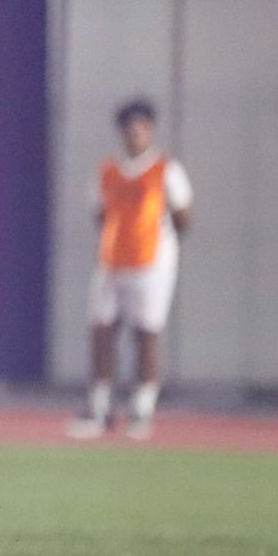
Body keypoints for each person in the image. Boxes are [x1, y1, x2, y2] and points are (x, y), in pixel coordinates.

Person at [70, 99, 193, 441]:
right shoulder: (108, 170)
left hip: (151, 263)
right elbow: (99, 213)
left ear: (151, 130)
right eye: (129, 128)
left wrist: (157, 238)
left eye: (141, 127)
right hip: (111, 262)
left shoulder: (166, 170)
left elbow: (183, 216)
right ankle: (99, 405)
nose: (135, 134)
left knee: (146, 334)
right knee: (102, 331)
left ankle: (142, 406)